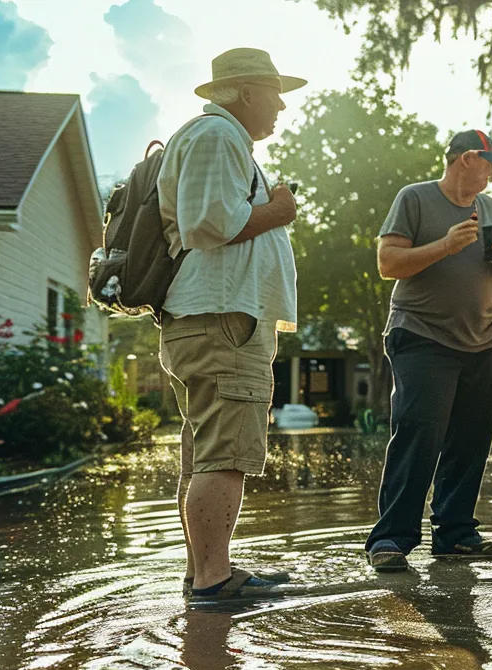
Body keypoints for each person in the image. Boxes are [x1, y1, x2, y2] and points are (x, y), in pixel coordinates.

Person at [158, 47, 305, 602]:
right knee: (226, 453)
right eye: (275, 92)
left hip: (207, 316)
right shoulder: (218, 137)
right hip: (221, 319)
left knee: (204, 450)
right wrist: (279, 210)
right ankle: (215, 579)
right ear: (246, 92)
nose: (282, 106)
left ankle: (205, 572)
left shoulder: (215, 138)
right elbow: (210, 223)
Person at [365, 130, 492, 572]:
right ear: (467, 158)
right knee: (419, 434)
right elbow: (388, 263)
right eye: (489, 162)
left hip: (485, 336)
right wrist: (447, 245)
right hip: (422, 334)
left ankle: (455, 534)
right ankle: (391, 538)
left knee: (471, 440)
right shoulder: (414, 198)